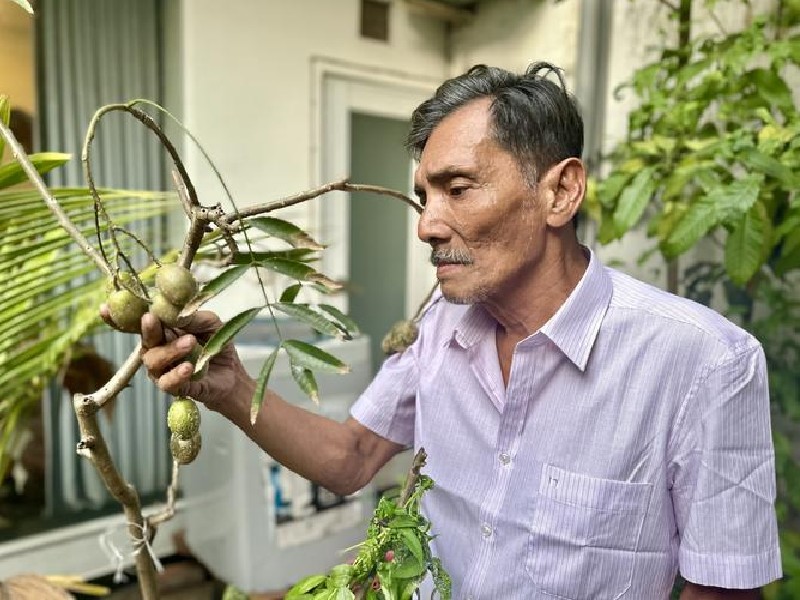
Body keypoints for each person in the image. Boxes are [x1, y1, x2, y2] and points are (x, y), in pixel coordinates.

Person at [115, 63, 782, 599]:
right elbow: (350, 459)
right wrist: (229, 388)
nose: (427, 225)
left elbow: (723, 586)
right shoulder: (440, 329)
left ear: (560, 192)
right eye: (425, 194)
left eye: (458, 188)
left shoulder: (705, 362)